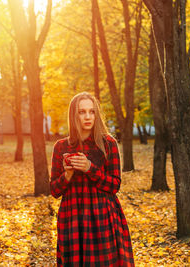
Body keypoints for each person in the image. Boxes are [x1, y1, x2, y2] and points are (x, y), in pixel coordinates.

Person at [50, 92, 134, 266]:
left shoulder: (108, 143)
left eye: (92, 111)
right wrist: (67, 175)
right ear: (74, 115)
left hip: (102, 216)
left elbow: (114, 185)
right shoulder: (61, 147)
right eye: (82, 112)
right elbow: (54, 191)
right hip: (72, 218)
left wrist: (90, 168)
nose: (87, 117)